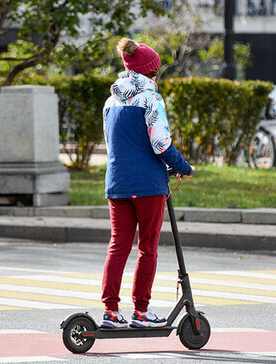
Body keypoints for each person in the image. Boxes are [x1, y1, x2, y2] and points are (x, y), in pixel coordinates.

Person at [100, 37, 194, 329]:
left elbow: (111, 143)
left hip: (117, 183)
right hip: (149, 186)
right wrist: (183, 166)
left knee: (118, 246)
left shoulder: (111, 101)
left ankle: (110, 312)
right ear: (151, 71)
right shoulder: (151, 98)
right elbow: (160, 144)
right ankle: (141, 312)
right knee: (147, 248)